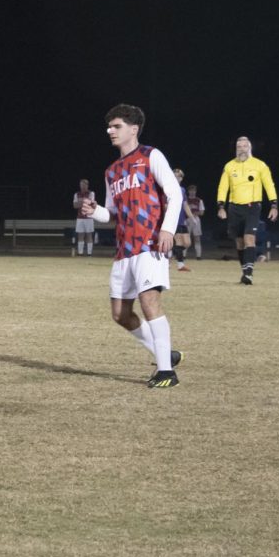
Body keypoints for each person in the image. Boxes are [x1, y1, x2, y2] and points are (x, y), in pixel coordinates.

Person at [79, 103, 184, 389]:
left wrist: (167, 230)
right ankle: (167, 354)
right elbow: (111, 213)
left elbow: (174, 194)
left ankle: (166, 373)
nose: (110, 131)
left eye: (117, 126)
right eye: (109, 127)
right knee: (120, 314)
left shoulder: (151, 156)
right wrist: (95, 210)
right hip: (124, 249)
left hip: (150, 243)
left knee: (149, 303)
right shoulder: (111, 171)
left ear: (133, 129)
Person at [216, 136, 278, 285]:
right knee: (239, 241)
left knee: (249, 238)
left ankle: (249, 274)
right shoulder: (229, 166)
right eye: (239, 147)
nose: (242, 149)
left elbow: (269, 185)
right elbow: (223, 187)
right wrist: (221, 206)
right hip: (234, 207)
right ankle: (245, 271)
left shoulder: (260, 165)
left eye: (244, 146)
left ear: (250, 148)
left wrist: (274, 205)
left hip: (252, 206)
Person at [170, 168, 197, 271]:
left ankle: (169, 254)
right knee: (179, 242)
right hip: (173, 219)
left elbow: (185, 205)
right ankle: (180, 265)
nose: (177, 178)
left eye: (179, 176)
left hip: (182, 220)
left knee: (187, 243)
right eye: (175, 175)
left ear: (181, 178)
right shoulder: (168, 188)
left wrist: (192, 218)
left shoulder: (182, 190)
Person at [73, 178, 97, 256]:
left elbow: (91, 203)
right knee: (80, 235)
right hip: (80, 218)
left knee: (89, 235)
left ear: (87, 185)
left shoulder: (91, 193)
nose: (82, 186)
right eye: (81, 185)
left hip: (89, 217)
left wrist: (80, 202)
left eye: (84, 185)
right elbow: (75, 205)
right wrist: (84, 201)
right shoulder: (76, 194)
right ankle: (80, 253)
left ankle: (89, 253)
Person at [185, 183, 205, 260]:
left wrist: (194, 213)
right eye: (191, 190)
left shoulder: (199, 200)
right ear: (188, 191)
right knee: (186, 237)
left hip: (196, 220)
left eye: (194, 190)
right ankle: (183, 256)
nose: (192, 192)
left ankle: (198, 256)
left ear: (196, 191)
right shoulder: (185, 200)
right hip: (187, 220)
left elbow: (202, 212)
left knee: (197, 238)